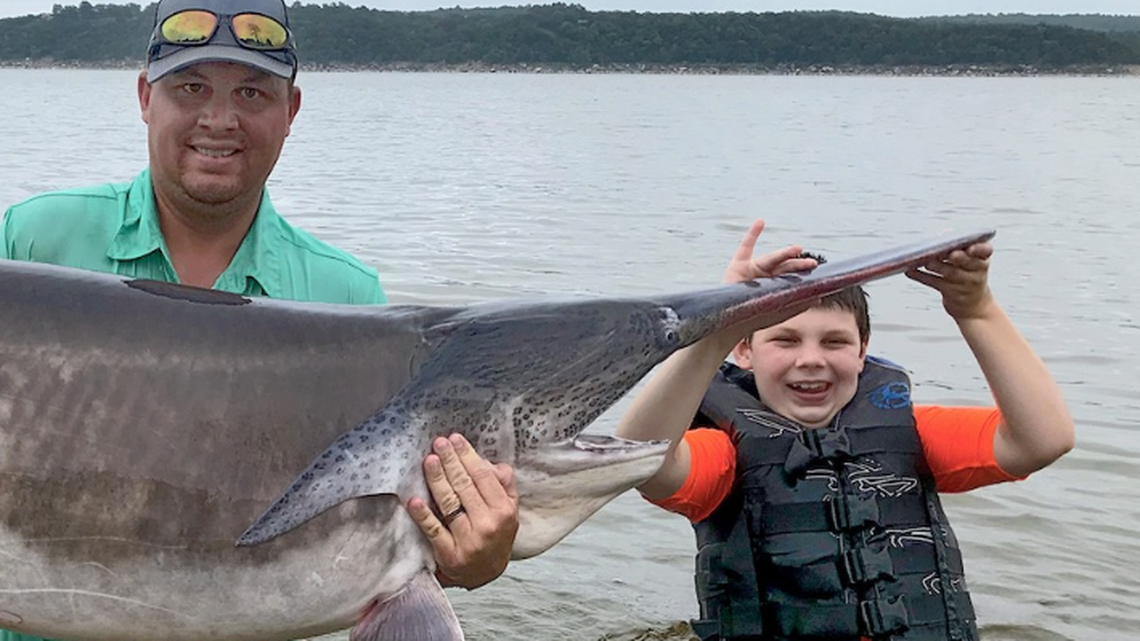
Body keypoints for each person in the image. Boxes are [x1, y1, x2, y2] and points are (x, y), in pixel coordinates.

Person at [0, 1, 517, 639]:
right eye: (192, 87)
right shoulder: (32, 242)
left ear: (291, 111)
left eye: (252, 90)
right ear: (144, 97)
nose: (220, 119)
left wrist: (469, 558)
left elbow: (395, 523)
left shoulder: (345, 297)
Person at [616, 219, 1074, 640]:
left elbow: (1042, 440)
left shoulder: (911, 434)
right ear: (744, 351)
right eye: (785, 339)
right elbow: (639, 459)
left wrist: (976, 311)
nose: (811, 358)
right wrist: (711, 327)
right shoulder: (724, 454)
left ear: (862, 352)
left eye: (834, 341)